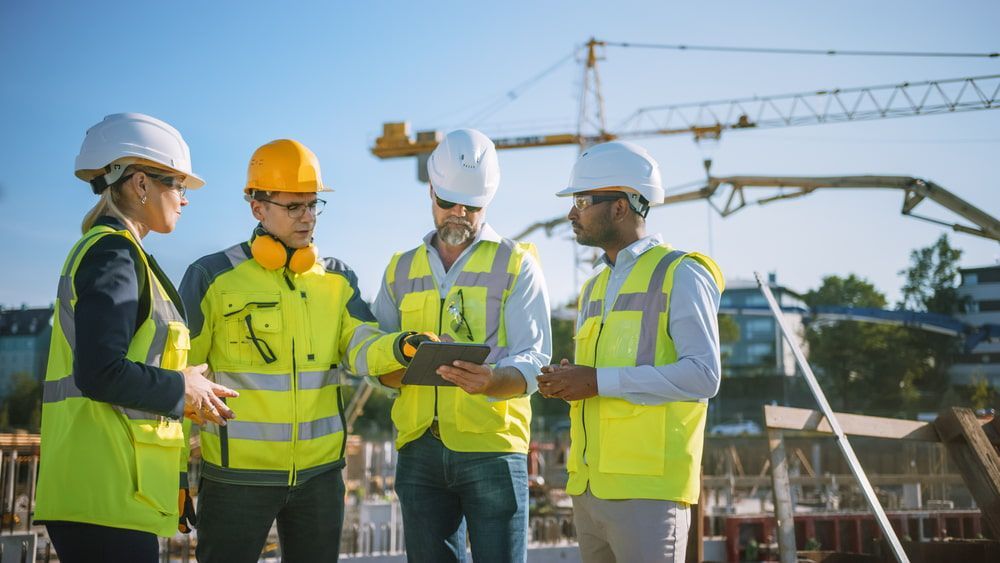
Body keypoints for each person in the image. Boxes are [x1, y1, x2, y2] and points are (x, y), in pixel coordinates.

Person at [179, 139, 426, 563]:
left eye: (313, 205)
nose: (307, 217)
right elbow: (182, 376)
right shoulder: (212, 277)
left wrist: (403, 347)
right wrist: (178, 471)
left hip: (320, 478)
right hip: (237, 479)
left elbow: (361, 345)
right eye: (294, 206)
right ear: (257, 207)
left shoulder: (337, 280)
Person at [35, 113, 238, 563]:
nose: (185, 200)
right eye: (178, 186)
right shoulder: (113, 253)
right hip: (102, 493)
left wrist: (184, 395)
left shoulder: (121, 254)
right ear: (141, 184)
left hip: (110, 492)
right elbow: (99, 372)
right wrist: (182, 386)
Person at [537, 141, 725, 563]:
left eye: (582, 201)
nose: (571, 213)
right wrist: (570, 379)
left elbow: (703, 375)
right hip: (589, 489)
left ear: (620, 207)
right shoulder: (593, 287)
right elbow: (599, 376)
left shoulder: (682, 273)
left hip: (649, 494)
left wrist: (597, 380)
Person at [372, 128, 552, 563]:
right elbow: (374, 347)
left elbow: (535, 356)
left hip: (492, 448)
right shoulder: (401, 268)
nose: (459, 213)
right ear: (430, 190)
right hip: (419, 448)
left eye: (471, 206)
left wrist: (494, 379)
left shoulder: (516, 264)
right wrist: (397, 361)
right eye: (448, 202)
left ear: (486, 202)